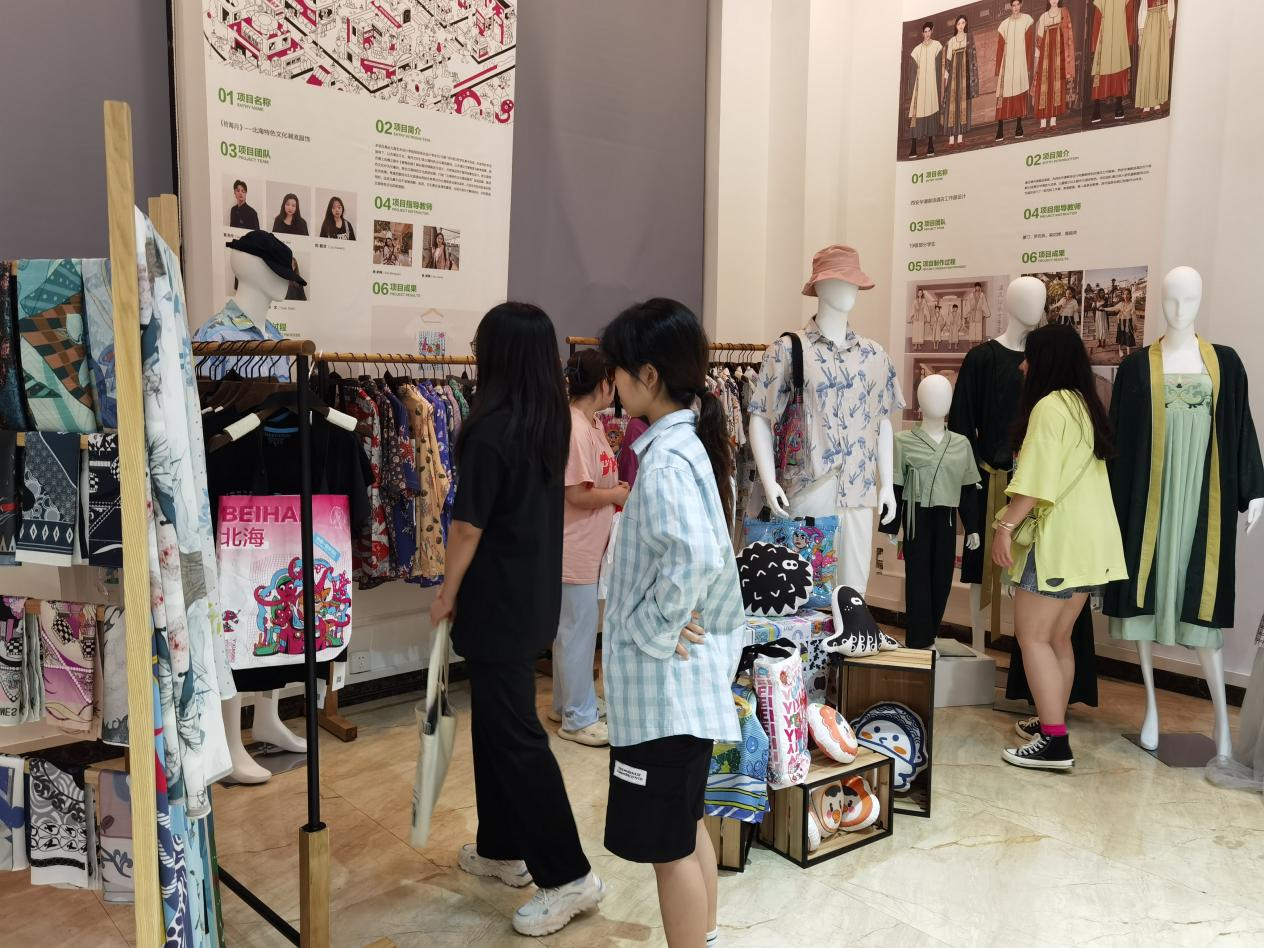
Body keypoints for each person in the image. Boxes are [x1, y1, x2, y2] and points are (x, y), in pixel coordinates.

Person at [429, 302, 605, 938]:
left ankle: (570, 875)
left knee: (518, 738)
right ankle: (502, 847)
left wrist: (447, 591)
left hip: (496, 600)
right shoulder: (548, 424)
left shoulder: (491, 429)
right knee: (497, 726)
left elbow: (468, 526)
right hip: (532, 596)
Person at [599, 298, 743, 948]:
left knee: (669, 847)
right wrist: (670, 614)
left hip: (663, 695)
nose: (612, 382)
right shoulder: (684, 447)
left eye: (619, 369)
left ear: (649, 375)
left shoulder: (663, 461)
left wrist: (656, 625)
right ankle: (704, 936)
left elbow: (693, 556)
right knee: (686, 827)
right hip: (681, 693)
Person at [991, 324, 1126, 770]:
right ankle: (1054, 722)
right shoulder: (1084, 404)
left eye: (1029, 357)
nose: (1023, 366)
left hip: (1058, 543)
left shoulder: (1050, 406)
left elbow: (1035, 482)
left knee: (1032, 638)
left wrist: (1004, 527)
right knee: (1058, 637)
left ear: (1045, 360)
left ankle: (1054, 742)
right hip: (1091, 544)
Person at [551, 349, 628, 747]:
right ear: (603, 384)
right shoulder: (575, 428)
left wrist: (613, 490)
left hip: (586, 546)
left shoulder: (591, 423)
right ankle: (577, 718)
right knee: (577, 633)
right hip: (574, 547)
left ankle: (566, 703)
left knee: (575, 630)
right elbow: (576, 494)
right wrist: (615, 494)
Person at [1033, 0, 1076, 129]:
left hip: (1059, 54)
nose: (1053, 0)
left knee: (1056, 84)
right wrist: (1037, 60)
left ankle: (1053, 121)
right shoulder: (1043, 16)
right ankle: (1042, 122)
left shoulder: (1064, 12)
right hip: (1045, 56)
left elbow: (1068, 36)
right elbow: (1039, 40)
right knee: (1044, 85)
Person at [906, 21, 943, 158]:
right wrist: (912, 91)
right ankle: (913, 147)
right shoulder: (916, 50)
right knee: (917, 114)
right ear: (922, 33)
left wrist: (939, 87)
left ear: (931, 31)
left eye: (929, 31)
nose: (927, 34)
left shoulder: (937, 46)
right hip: (920, 86)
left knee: (931, 112)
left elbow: (939, 68)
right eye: (925, 32)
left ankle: (930, 145)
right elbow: (912, 72)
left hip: (932, 85)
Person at [942, 16, 978, 146]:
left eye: (963, 23)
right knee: (953, 103)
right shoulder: (951, 41)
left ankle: (961, 136)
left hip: (965, 75)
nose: (961, 26)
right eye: (958, 23)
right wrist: (946, 80)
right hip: (953, 75)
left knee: (963, 103)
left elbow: (973, 57)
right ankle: (951, 137)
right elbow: (948, 62)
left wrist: (971, 79)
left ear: (966, 24)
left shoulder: (969, 38)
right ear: (956, 26)